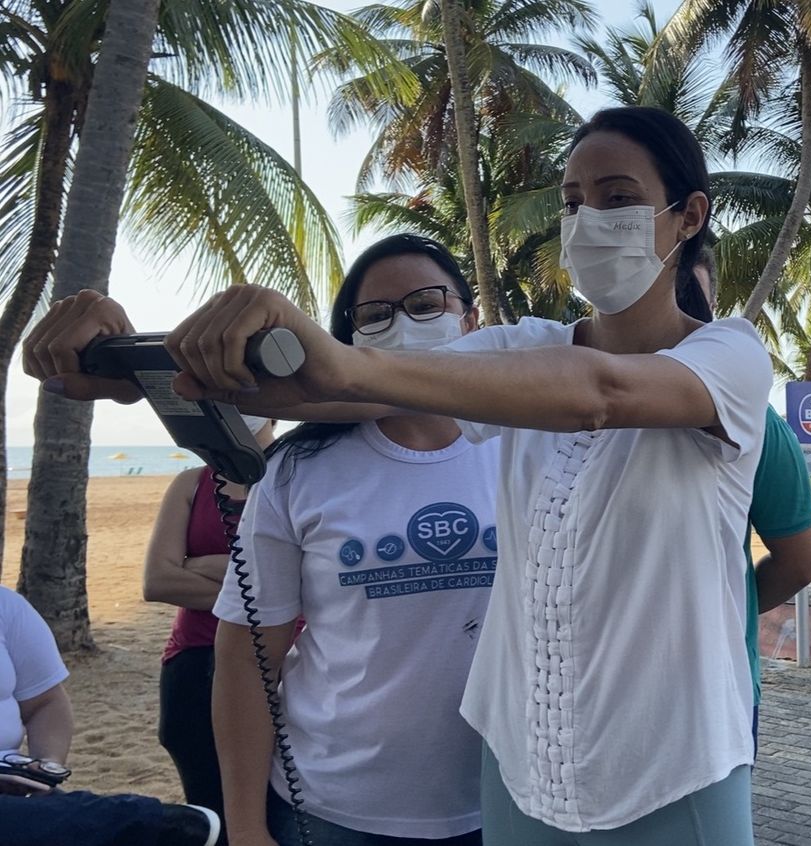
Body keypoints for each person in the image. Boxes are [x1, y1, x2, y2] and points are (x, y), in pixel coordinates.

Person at [24, 105, 772, 845]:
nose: (588, 219)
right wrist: (135, 369)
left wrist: (342, 357)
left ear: (686, 217)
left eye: (618, 197)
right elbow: (342, 388)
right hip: (521, 771)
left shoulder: (728, 358)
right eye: (573, 202)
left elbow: (599, 394)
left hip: (670, 770)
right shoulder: (525, 348)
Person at [210, 235, 496, 846]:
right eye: (376, 315)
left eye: (426, 304)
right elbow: (245, 655)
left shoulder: (524, 444)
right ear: (347, 342)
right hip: (337, 807)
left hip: (509, 800)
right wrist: (244, 825)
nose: (403, 324)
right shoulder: (296, 471)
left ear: (470, 319)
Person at [690, 247, 811, 750]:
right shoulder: (576, 415)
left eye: (689, 301)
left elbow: (801, 560)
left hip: (720, 690)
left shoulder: (759, 423)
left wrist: (727, 609)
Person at [0, 585, 221, 846]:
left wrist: (45, 769)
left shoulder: (8, 608)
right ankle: (147, 822)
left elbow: (45, 704)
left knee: (45, 817)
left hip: (12, 786)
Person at [144, 415, 275, 835]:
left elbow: (315, 581)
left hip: (285, 661)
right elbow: (159, 581)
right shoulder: (191, 484)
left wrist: (199, 565)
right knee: (211, 807)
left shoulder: (300, 479)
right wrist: (262, 584)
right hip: (194, 664)